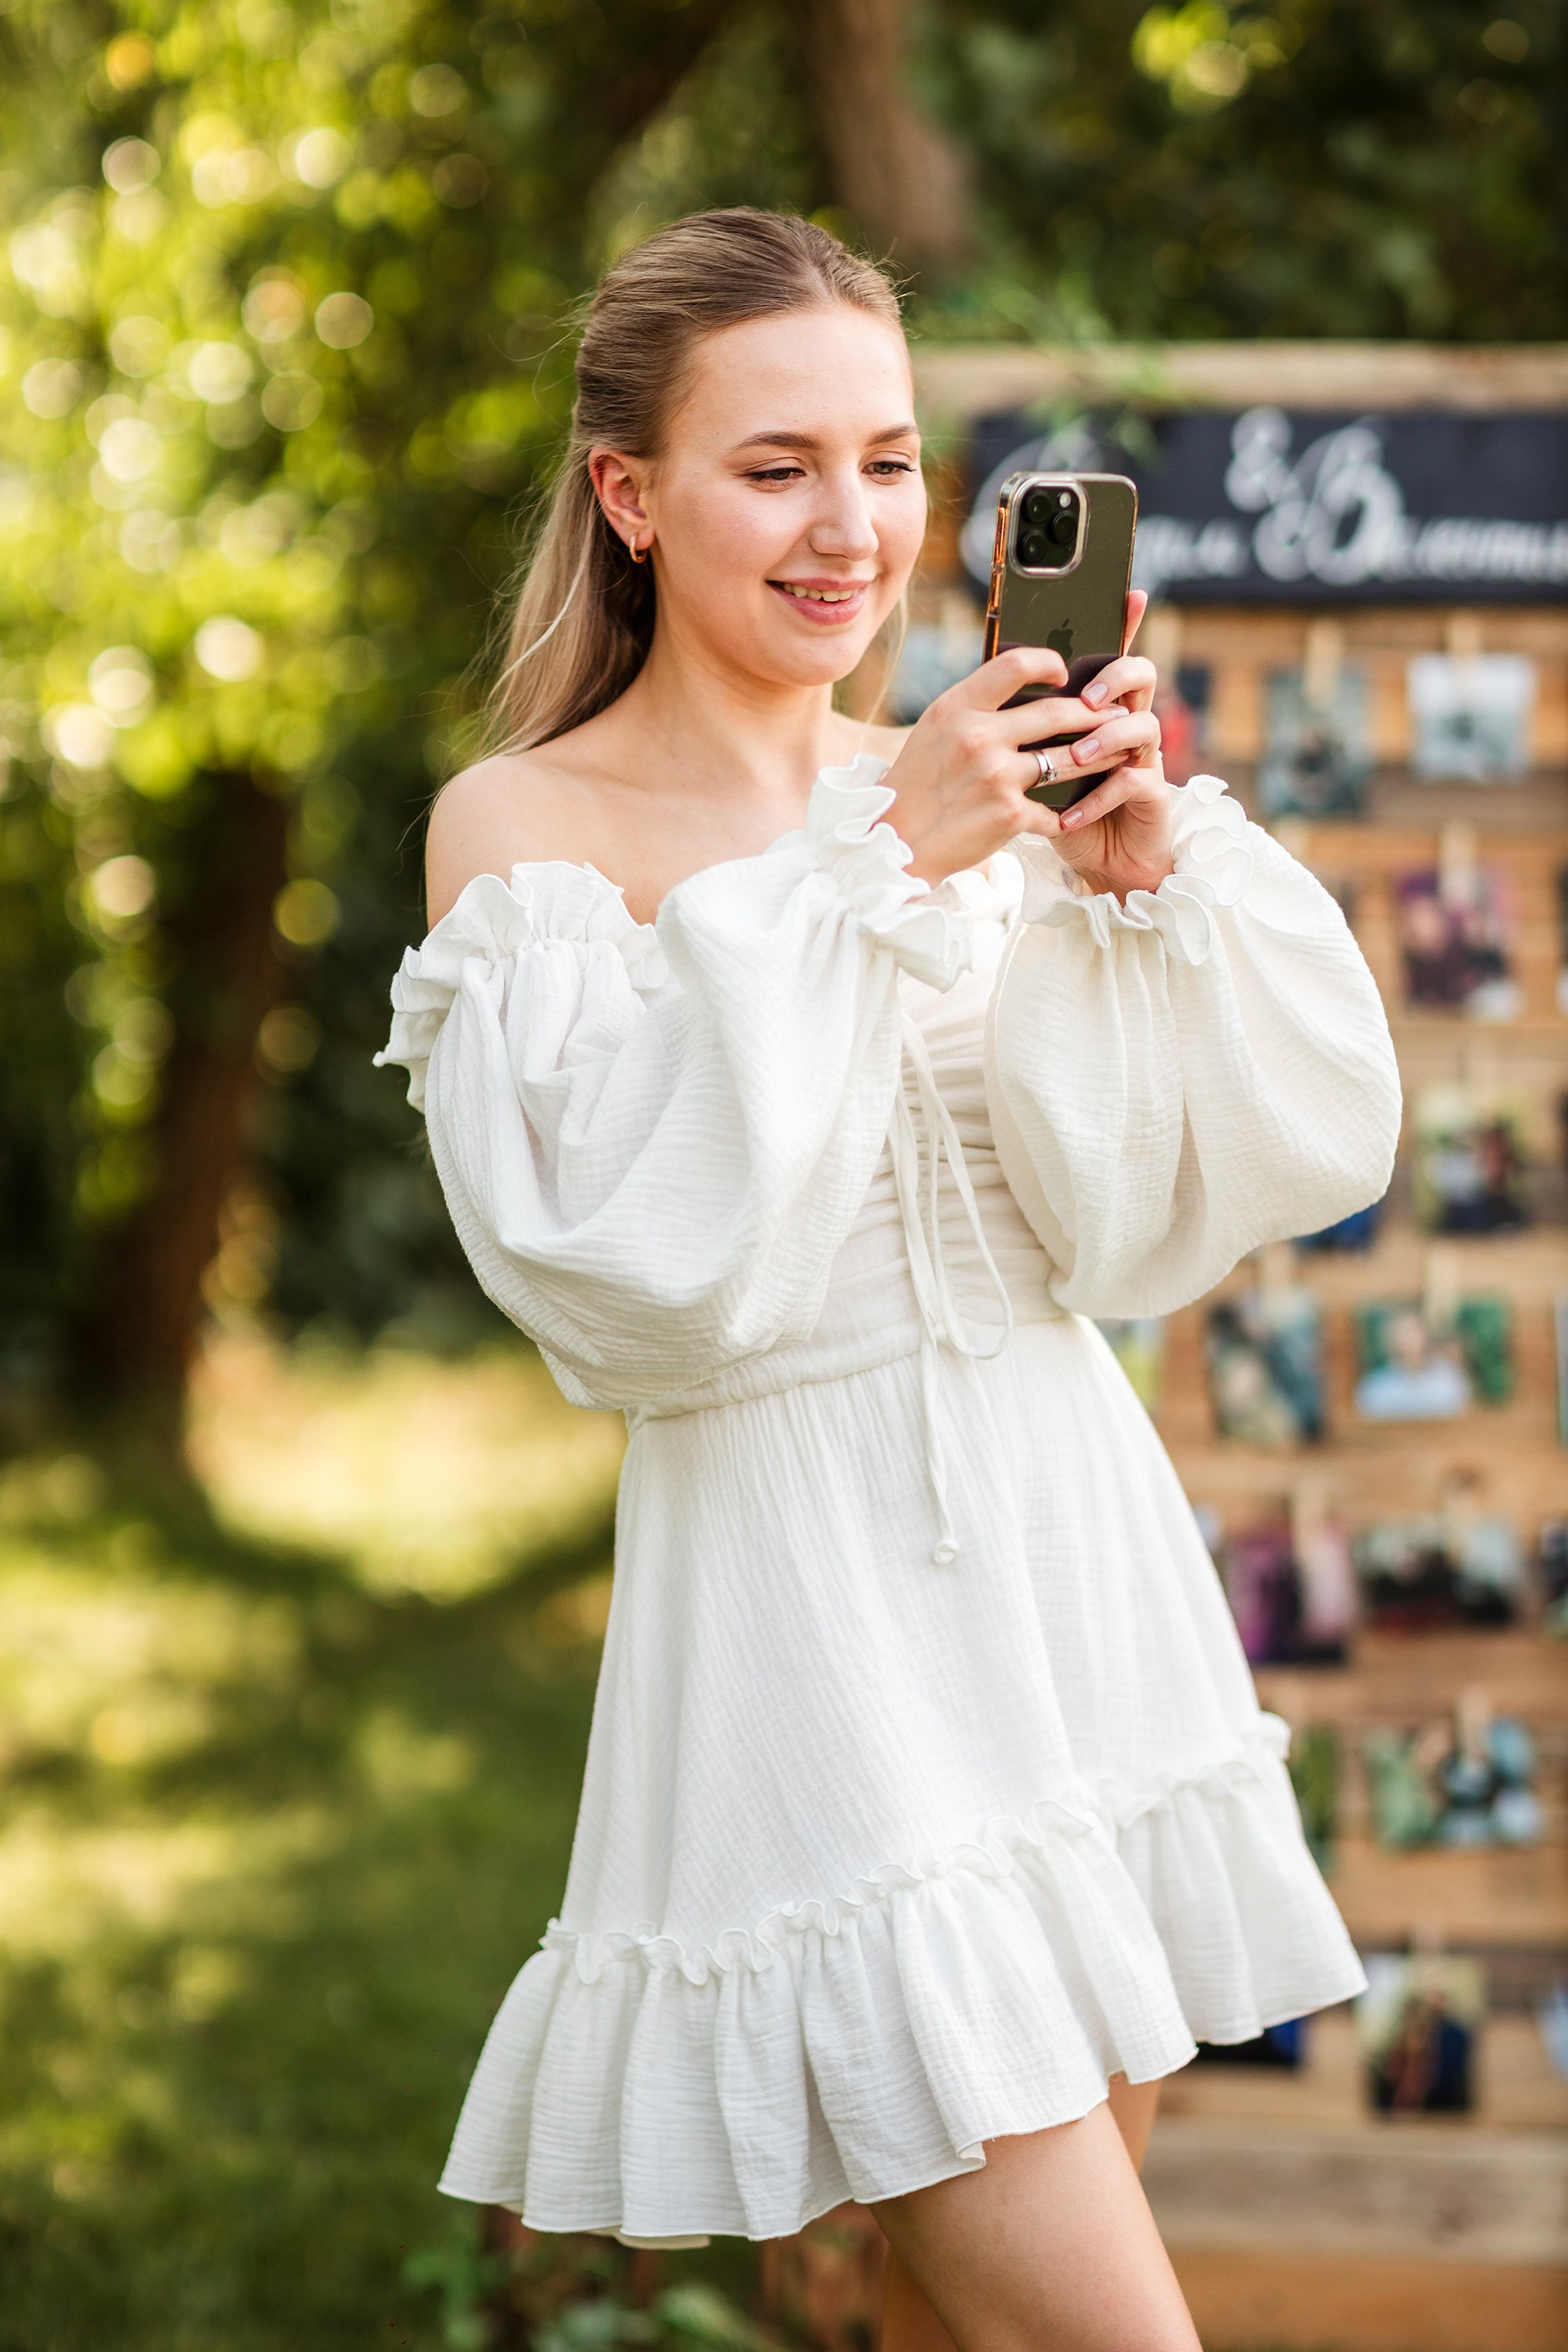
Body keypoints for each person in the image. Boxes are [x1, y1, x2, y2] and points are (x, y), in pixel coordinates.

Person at [377, 209, 1401, 2352]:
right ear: (630, 495)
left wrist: (1131, 900)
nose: (851, 526)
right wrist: (875, 872)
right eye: (776, 467)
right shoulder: (527, 831)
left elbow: (1124, 1224)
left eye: (890, 457)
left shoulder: (964, 787)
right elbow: (625, 1287)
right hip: (816, 1641)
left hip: (1065, 1582)